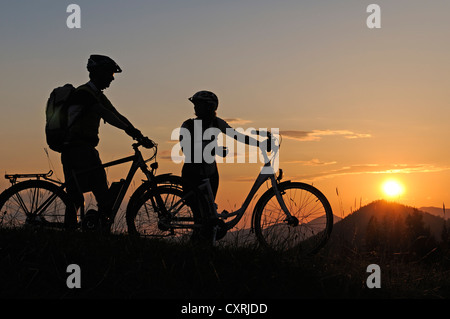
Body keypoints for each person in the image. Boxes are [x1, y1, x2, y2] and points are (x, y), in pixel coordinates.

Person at [62, 54, 148, 231]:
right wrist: (128, 130)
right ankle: (68, 231)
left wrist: (137, 133)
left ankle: (97, 228)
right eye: (110, 74)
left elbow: (116, 114)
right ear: (98, 73)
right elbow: (105, 114)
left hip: (88, 149)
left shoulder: (97, 95)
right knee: (76, 196)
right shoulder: (84, 93)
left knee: (103, 196)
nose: (112, 78)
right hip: (76, 149)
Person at [179, 90, 263, 241]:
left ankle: (201, 247)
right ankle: (198, 248)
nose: (195, 108)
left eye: (199, 105)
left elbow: (237, 135)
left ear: (210, 107)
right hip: (193, 173)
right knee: (200, 216)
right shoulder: (188, 125)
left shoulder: (217, 123)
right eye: (196, 105)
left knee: (209, 216)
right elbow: (186, 148)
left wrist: (258, 144)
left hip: (211, 174)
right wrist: (212, 149)